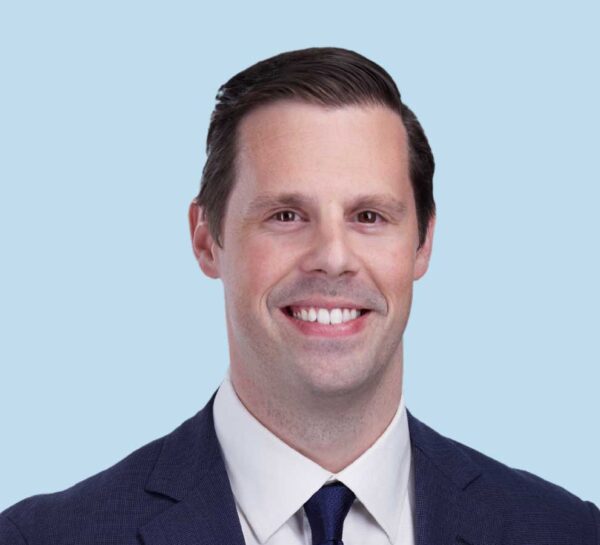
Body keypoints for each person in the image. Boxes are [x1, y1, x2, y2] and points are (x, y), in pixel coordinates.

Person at [1, 46, 598, 545]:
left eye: (369, 215)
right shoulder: (43, 537)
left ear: (423, 245)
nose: (333, 257)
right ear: (207, 240)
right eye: (287, 215)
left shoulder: (565, 532)